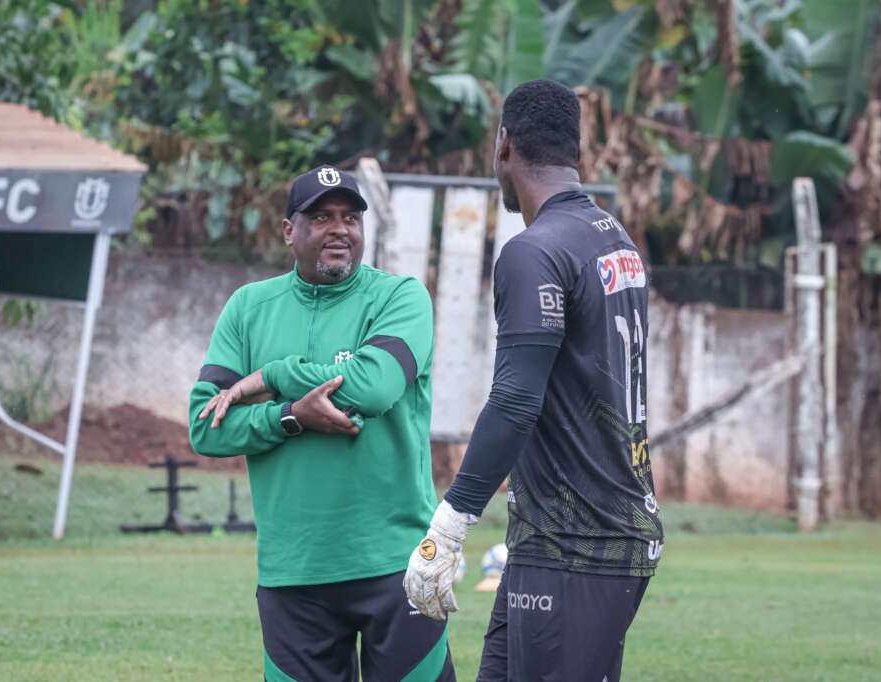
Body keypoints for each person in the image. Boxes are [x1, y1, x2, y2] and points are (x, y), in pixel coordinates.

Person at [404, 79, 664, 681]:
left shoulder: (534, 250)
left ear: (504, 146)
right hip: (567, 536)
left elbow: (517, 399)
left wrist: (449, 526)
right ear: (578, 151)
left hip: (578, 544)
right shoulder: (613, 237)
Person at [189, 165, 454, 681]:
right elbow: (206, 427)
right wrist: (289, 416)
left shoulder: (400, 297)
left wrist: (276, 374)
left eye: (351, 218)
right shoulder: (248, 309)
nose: (340, 229)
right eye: (321, 217)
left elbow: (375, 388)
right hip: (294, 571)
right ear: (290, 230)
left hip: (397, 565)